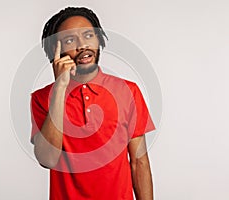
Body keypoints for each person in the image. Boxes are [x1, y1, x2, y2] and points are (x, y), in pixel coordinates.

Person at [30, 7, 155, 200]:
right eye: (70, 40)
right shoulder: (41, 98)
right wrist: (59, 89)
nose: (82, 45)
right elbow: (47, 159)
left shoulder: (128, 91)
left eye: (88, 35)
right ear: (57, 50)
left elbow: (139, 163)